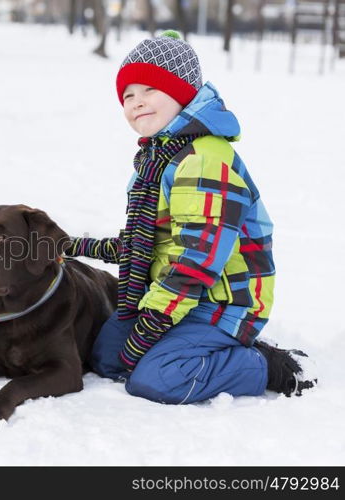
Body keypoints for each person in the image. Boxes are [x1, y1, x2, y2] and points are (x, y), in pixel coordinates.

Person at [66, 30, 315, 404]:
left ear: (182, 93)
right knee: (107, 358)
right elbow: (146, 242)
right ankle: (190, 344)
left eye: (149, 89)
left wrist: (151, 326)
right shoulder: (157, 159)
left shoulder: (202, 159)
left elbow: (197, 260)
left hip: (221, 302)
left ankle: (266, 364)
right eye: (128, 95)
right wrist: (75, 245)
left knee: (156, 379)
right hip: (181, 296)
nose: (137, 102)